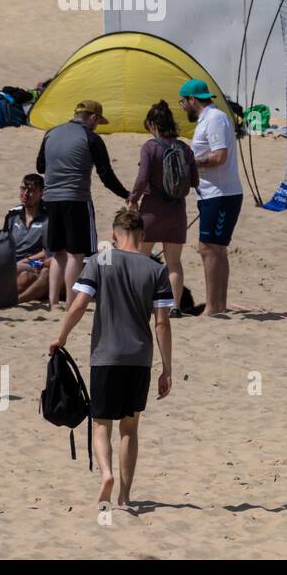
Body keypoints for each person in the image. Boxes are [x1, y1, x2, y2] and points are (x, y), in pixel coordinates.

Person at [50, 207, 174, 508]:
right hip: (139, 358)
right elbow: (161, 323)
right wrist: (167, 368)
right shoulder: (155, 269)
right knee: (129, 429)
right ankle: (125, 495)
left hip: (106, 355)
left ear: (113, 235)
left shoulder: (100, 261)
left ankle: (106, 474)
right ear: (142, 236)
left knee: (101, 423)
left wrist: (61, 336)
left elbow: (79, 305)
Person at [35, 100, 131, 311]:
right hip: (76, 198)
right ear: (93, 118)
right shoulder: (91, 138)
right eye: (98, 121)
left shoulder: (51, 133)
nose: (97, 126)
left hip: (50, 199)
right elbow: (105, 175)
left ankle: (53, 303)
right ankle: (70, 302)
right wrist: (126, 194)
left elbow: (40, 166)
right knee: (75, 254)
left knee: (57, 253)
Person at [128, 100, 198, 318]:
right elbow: (194, 180)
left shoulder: (150, 147)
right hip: (176, 212)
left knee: (141, 261)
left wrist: (132, 199)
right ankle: (175, 307)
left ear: (152, 124)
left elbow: (142, 178)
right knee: (174, 263)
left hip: (151, 212)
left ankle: (139, 304)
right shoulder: (185, 148)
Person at [179, 80, 242, 316]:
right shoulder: (208, 119)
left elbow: (219, 157)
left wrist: (192, 162)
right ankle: (218, 305)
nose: (183, 106)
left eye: (183, 102)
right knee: (216, 249)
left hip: (221, 194)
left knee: (209, 248)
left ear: (192, 100)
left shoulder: (214, 118)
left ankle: (213, 307)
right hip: (211, 193)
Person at [3, 173, 50, 303]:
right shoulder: (12, 215)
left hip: (33, 262)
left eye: (31, 190)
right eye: (23, 188)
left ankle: (10, 297)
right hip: (12, 260)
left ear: (41, 193)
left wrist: (25, 260)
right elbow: (5, 242)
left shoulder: (48, 218)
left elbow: (48, 251)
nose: (25, 193)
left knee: (24, 276)